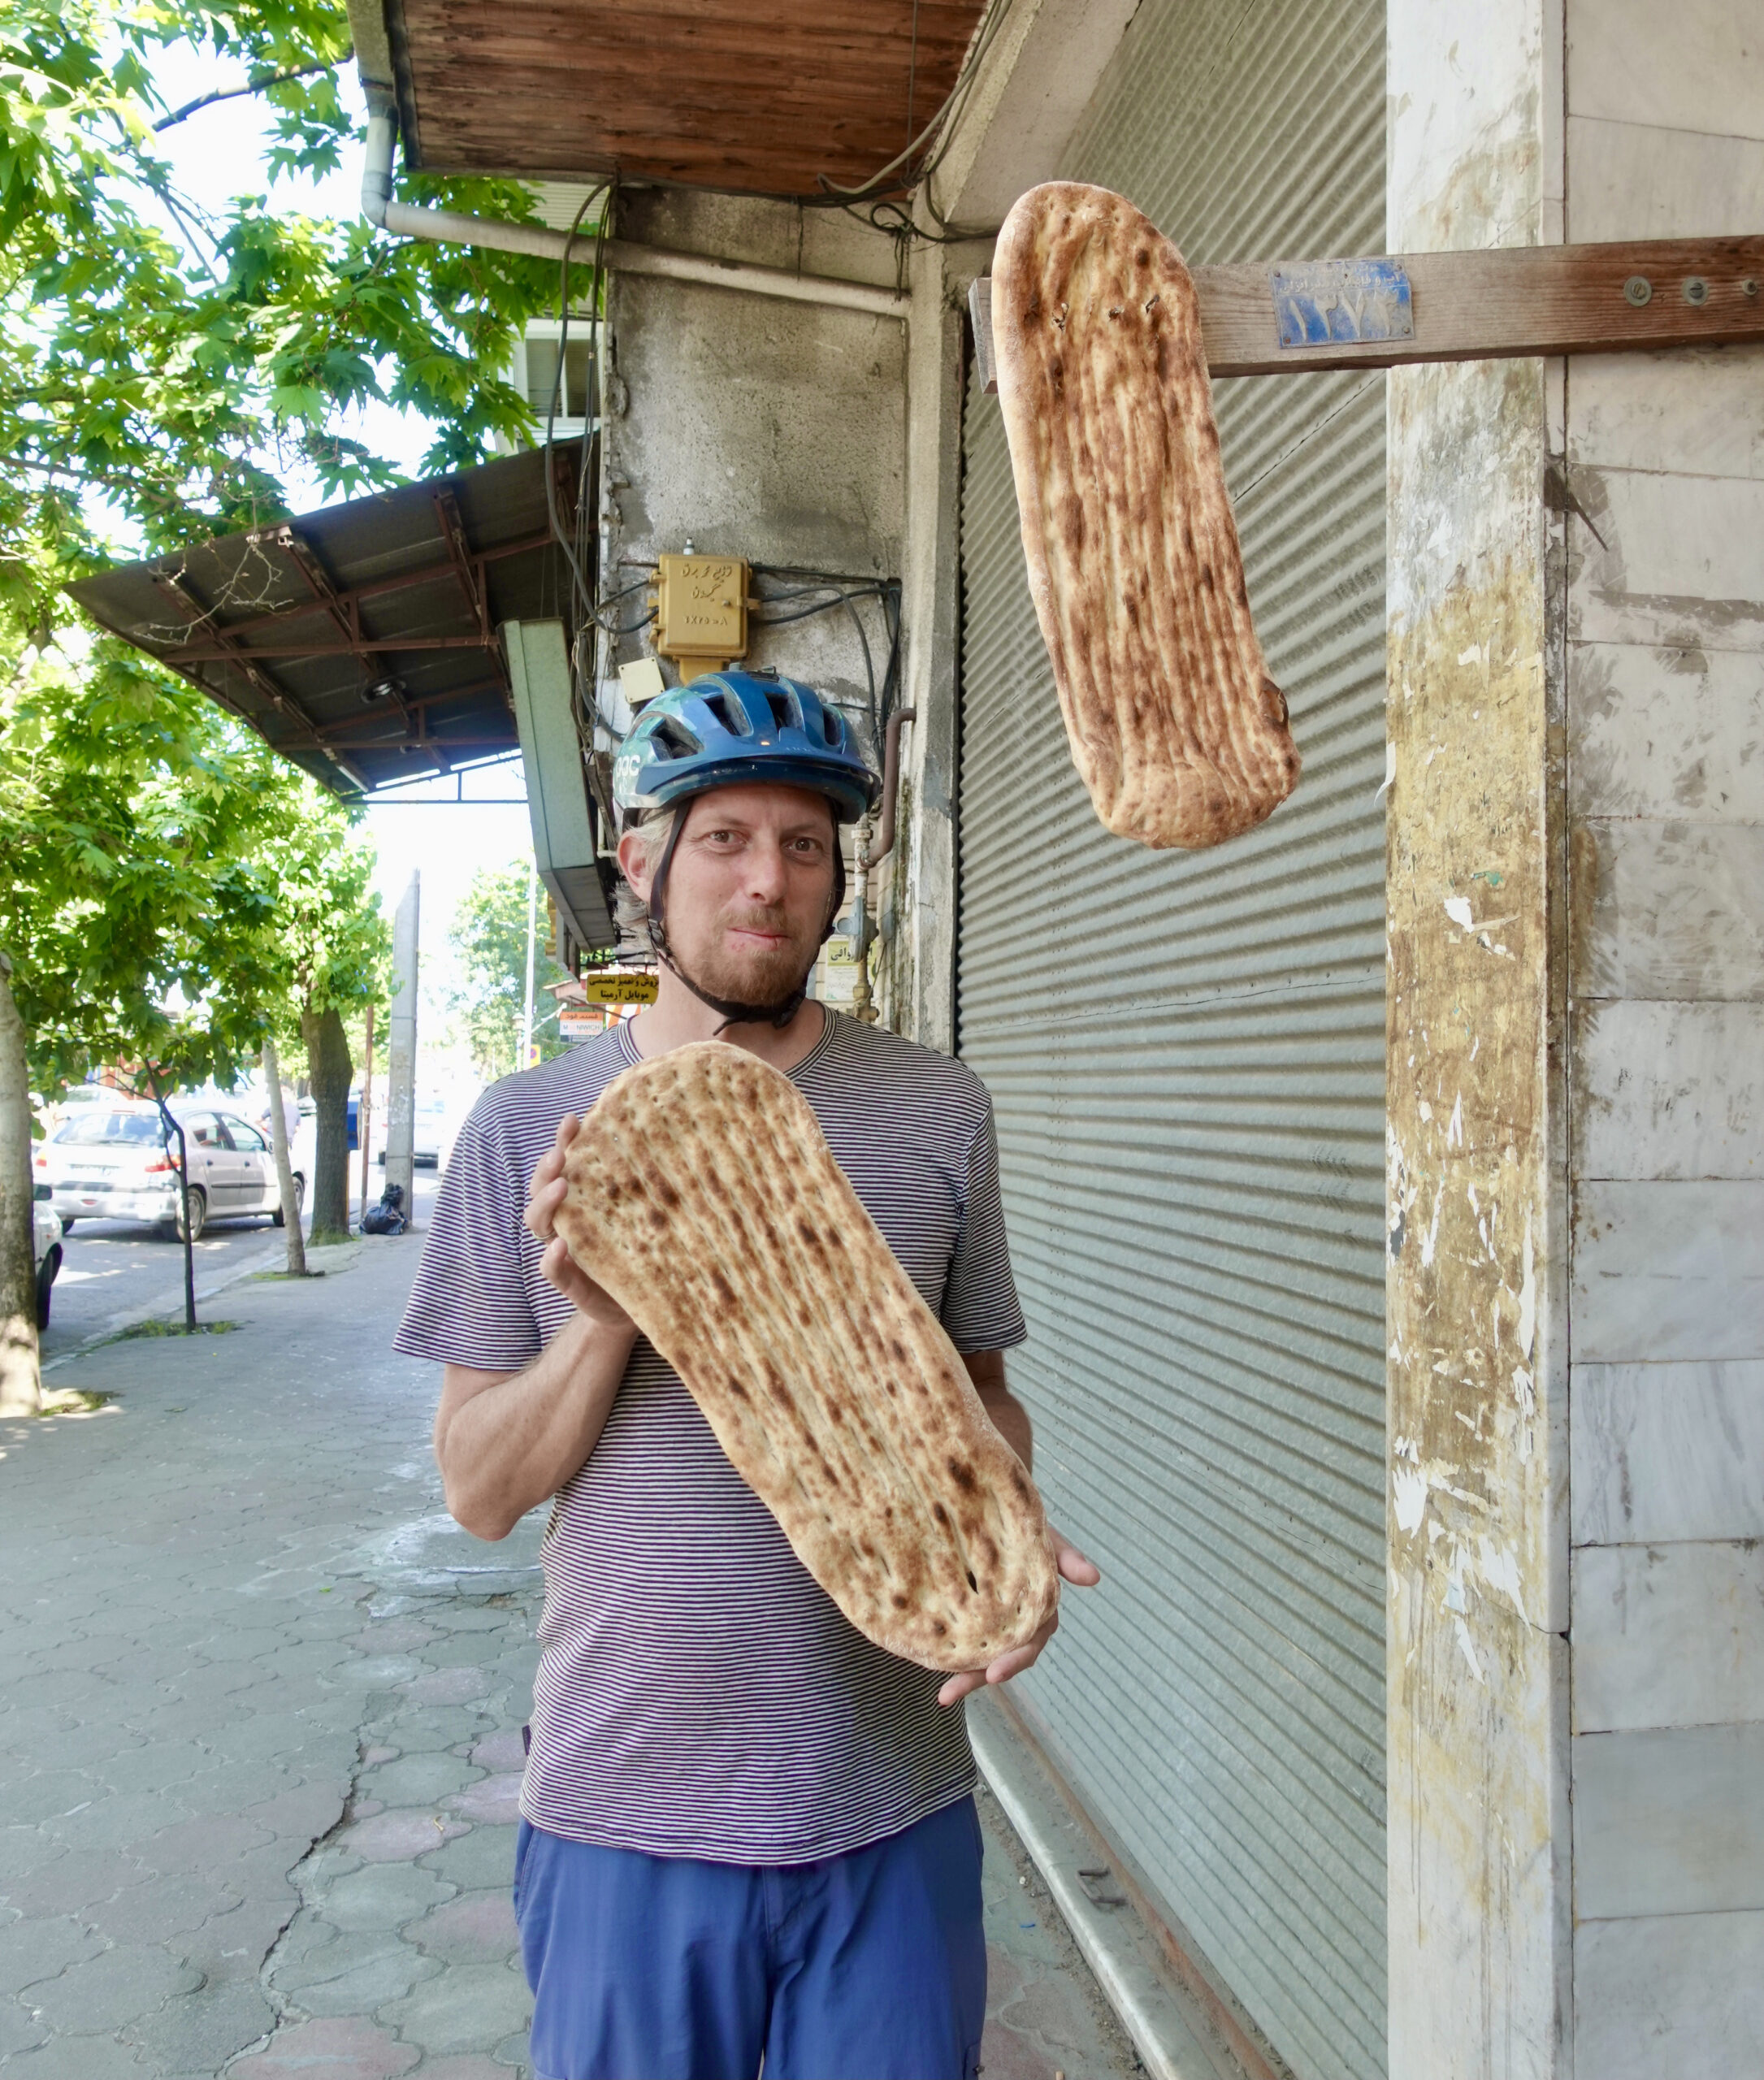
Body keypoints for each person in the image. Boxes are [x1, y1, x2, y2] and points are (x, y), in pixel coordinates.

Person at [394, 672, 1100, 2080]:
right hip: (627, 1808)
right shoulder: (528, 1127)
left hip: (887, 1807)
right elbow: (480, 1492)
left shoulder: (936, 1110)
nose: (766, 883)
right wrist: (609, 1311)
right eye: (724, 839)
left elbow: (979, 1392)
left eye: (805, 844)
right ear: (644, 864)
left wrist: (999, 1534)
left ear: (842, 878)